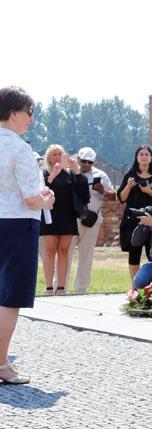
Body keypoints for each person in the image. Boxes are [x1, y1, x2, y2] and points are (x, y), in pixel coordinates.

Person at [0, 86, 55, 384]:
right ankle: (0, 364)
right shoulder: (19, 148)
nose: (31, 119)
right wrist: (46, 200)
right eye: (29, 112)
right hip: (17, 225)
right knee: (10, 297)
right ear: (14, 113)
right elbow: (31, 199)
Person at [40, 144, 90, 295]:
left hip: (67, 217)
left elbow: (84, 196)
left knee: (63, 252)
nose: (57, 157)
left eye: (60, 154)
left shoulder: (70, 174)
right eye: (54, 154)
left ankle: (61, 288)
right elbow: (42, 190)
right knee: (49, 251)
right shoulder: (43, 173)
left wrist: (77, 170)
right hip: (49, 216)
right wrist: (53, 174)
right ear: (48, 157)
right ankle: (49, 287)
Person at [66, 147, 116, 293]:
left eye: (90, 161)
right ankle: (60, 286)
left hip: (91, 219)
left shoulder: (100, 175)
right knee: (65, 253)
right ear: (78, 160)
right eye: (83, 161)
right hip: (71, 218)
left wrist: (102, 190)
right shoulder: (69, 173)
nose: (86, 164)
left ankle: (81, 288)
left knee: (86, 255)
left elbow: (113, 195)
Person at [117, 145, 152, 282]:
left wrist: (148, 191)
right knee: (134, 253)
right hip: (132, 219)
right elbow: (121, 198)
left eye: (147, 154)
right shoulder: (130, 175)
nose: (144, 156)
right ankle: (135, 285)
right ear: (137, 158)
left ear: (151, 158)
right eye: (141, 154)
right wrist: (128, 186)